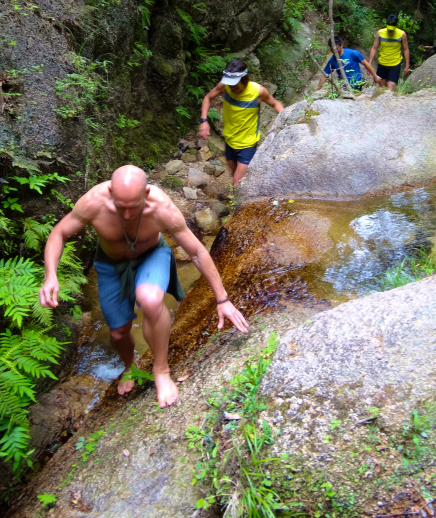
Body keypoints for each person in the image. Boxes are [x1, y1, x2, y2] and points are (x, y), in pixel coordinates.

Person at [39, 165, 249, 408]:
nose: (127, 215)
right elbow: (59, 233)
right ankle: (130, 366)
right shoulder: (93, 202)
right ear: (109, 191)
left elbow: (197, 252)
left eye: (134, 206)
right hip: (110, 264)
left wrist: (222, 299)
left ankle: (161, 370)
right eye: (121, 206)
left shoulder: (162, 208)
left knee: (149, 299)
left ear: (147, 193)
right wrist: (50, 275)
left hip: (152, 255)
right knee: (118, 332)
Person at [198, 59, 283, 188]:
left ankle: (237, 206)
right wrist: (204, 120)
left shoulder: (258, 92)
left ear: (244, 80)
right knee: (234, 176)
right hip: (230, 140)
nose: (231, 88)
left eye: (235, 85)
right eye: (230, 84)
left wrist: (286, 117)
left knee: (238, 183)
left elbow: (275, 103)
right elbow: (208, 97)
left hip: (247, 145)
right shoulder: (225, 86)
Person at [316, 36, 380, 91]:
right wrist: (318, 88)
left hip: (356, 83)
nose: (334, 51)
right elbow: (324, 75)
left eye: (336, 49)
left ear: (341, 45)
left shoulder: (352, 53)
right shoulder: (332, 60)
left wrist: (375, 76)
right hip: (344, 86)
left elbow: (366, 64)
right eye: (332, 50)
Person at [368, 14, 410, 90]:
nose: (390, 30)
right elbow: (374, 48)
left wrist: (407, 65)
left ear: (396, 25)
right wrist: (369, 64)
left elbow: (406, 49)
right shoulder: (380, 33)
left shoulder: (402, 34)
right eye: (389, 28)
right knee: (381, 88)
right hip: (382, 63)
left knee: (390, 89)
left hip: (395, 64)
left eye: (392, 28)